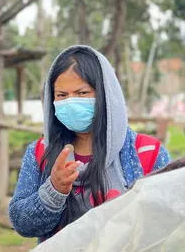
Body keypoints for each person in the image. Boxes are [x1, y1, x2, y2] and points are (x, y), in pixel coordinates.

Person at [9, 45, 170, 240]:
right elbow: (21, 223)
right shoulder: (40, 152)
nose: (71, 102)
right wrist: (54, 190)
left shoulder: (148, 152)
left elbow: (168, 221)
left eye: (82, 93)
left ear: (106, 95)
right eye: (61, 95)